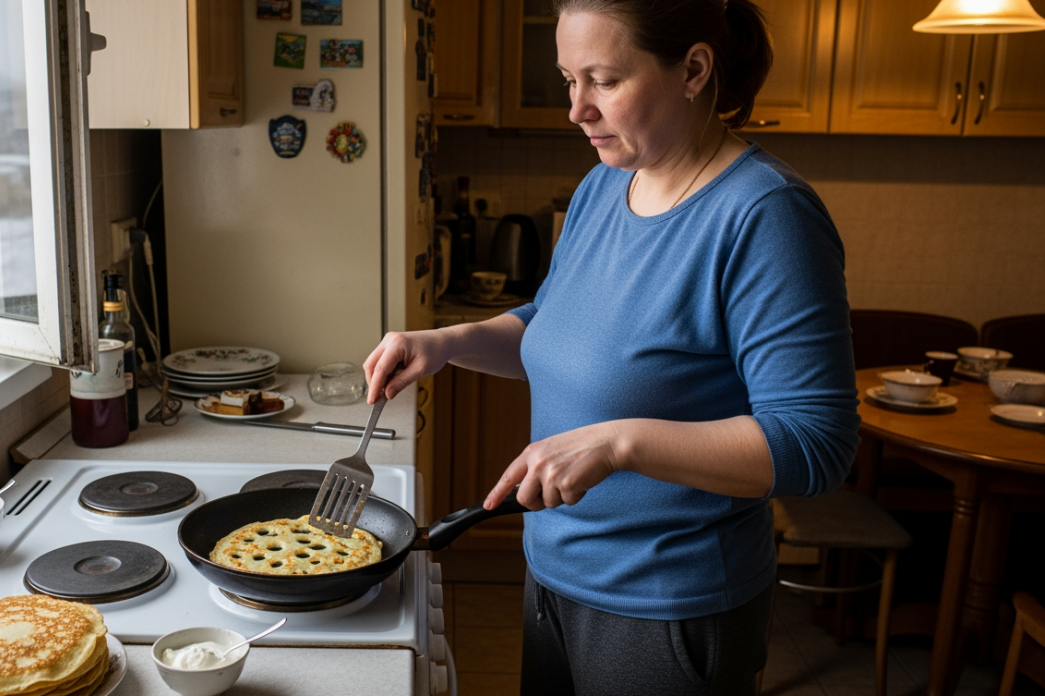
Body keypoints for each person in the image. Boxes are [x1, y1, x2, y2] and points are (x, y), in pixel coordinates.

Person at [363, 1, 861, 694]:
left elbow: (816, 443)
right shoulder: (604, 184)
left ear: (692, 69)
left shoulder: (765, 216)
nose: (577, 110)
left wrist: (621, 443)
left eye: (603, 80)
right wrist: (447, 342)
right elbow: (559, 327)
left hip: (670, 607)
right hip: (554, 576)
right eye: (569, 79)